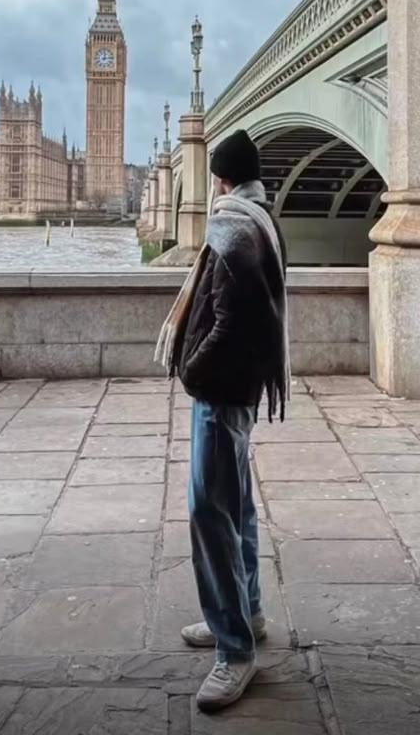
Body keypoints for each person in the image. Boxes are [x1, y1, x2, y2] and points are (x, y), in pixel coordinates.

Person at [155, 129, 289, 712]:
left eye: (214, 177)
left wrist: (193, 368)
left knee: (209, 513)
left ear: (221, 178)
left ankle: (234, 651)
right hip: (241, 390)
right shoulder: (262, 216)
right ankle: (247, 613)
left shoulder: (233, 225)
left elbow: (234, 320)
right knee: (237, 508)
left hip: (222, 391)